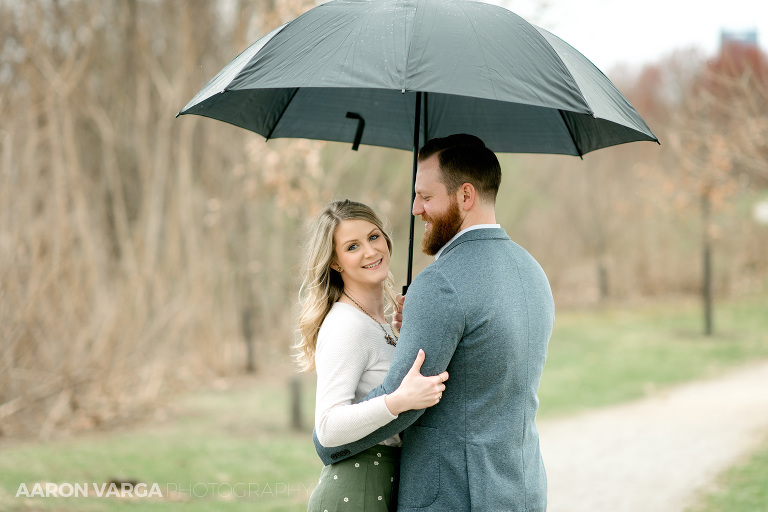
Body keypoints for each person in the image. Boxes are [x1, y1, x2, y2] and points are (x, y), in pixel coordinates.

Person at [312, 135, 555, 512]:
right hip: (522, 488)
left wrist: (325, 443)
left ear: (465, 196)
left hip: (456, 494)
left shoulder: (440, 283)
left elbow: (407, 401)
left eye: (426, 196)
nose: (415, 209)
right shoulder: (533, 271)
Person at [295, 199, 449, 512]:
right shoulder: (345, 325)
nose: (370, 251)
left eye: (373, 237)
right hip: (357, 491)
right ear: (335, 263)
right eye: (352, 246)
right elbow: (328, 427)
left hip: (386, 485)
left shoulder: (377, 322)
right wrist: (397, 401)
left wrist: (406, 335)